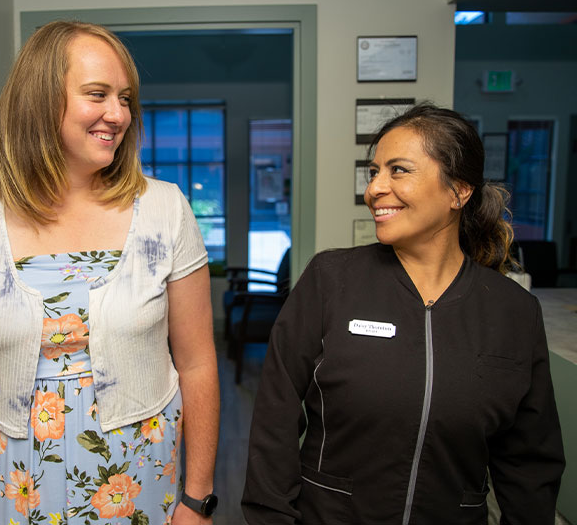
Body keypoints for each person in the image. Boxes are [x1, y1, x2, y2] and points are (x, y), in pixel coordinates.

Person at [0, 20, 220, 525]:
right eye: (98, 94)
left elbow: (196, 363)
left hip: (139, 477)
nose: (119, 114)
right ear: (41, 102)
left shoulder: (165, 211)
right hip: (16, 482)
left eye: (125, 98)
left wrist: (197, 500)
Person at [242, 103, 564, 524]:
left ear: (458, 191)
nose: (375, 188)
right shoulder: (331, 279)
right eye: (373, 172)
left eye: (398, 170)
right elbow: (274, 416)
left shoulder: (514, 312)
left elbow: (529, 463)